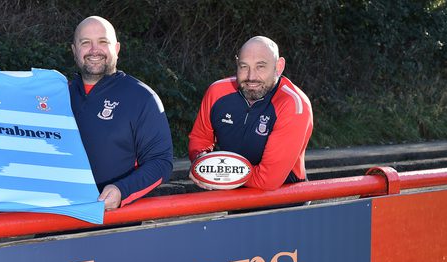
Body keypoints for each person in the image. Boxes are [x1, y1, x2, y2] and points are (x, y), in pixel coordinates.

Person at [69, 16, 174, 211]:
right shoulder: (57, 96)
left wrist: (122, 190)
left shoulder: (142, 98)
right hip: (57, 221)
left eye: (103, 42)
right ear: (74, 51)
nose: (94, 50)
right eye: (85, 43)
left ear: (116, 49)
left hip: (114, 222)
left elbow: (161, 163)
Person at [188, 36, 313, 191]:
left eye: (260, 66)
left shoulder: (293, 104)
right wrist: (200, 162)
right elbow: (200, 139)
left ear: (278, 67)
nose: (251, 77)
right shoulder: (217, 92)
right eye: (244, 66)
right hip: (236, 200)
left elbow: (267, 180)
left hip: (286, 204)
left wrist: (217, 173)